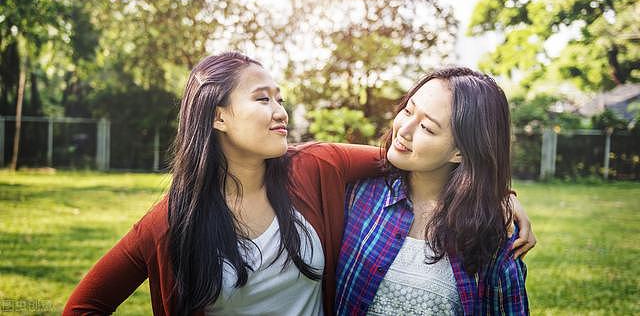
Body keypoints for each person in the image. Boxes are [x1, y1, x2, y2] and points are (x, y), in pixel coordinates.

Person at [64, 53, 534, 315]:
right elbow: (85, 305)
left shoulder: (316, 168)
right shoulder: (171, 221)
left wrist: (498, 193)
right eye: (262, 99)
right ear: (218, 116)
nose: (280, 111)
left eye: (280, 98)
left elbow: (410, 159)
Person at [335, 67, 530, 315]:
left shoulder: (493, 232)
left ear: (460, 152)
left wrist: (497, 199)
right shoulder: (356, 195)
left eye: (426, 127)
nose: (404, 130)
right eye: (408, 110)